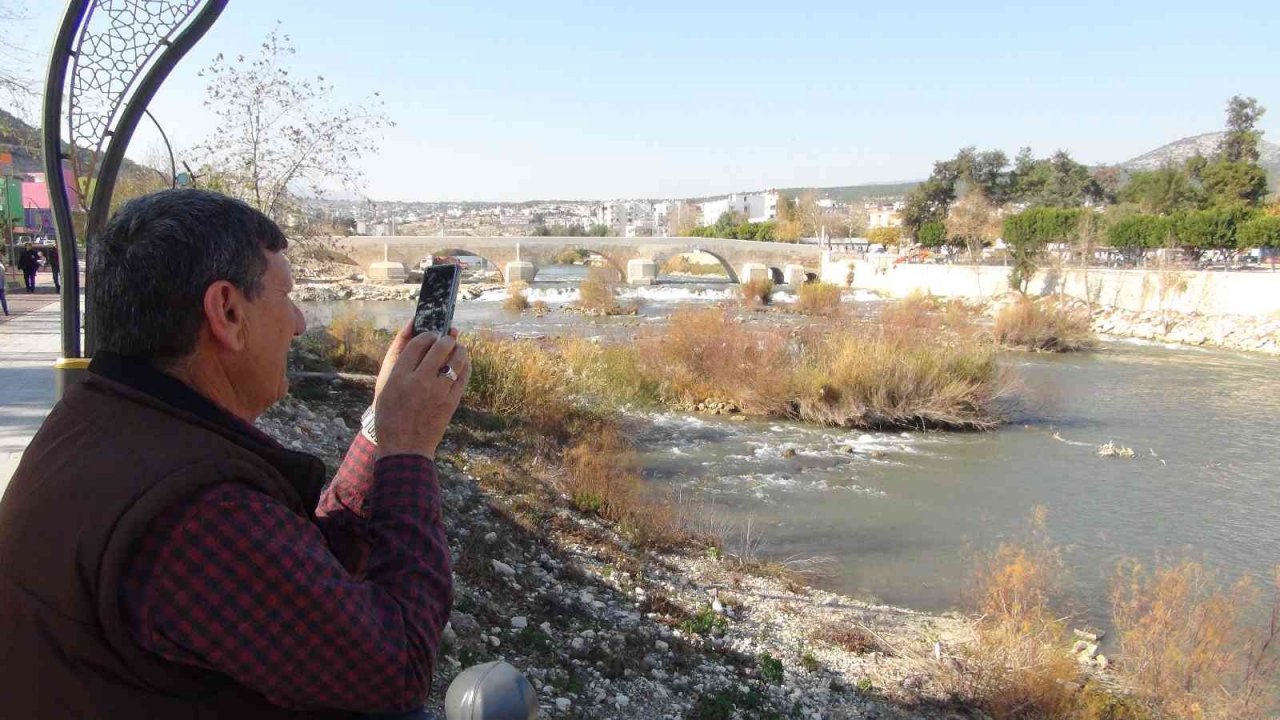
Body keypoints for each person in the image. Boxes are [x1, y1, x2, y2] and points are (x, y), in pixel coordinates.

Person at [0, 189, 471, 719]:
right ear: (226, 311)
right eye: (287, 296)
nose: (299, 323)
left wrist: (381, 428)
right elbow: (397, 671)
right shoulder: (192, 513)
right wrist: (410, 449)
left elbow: (305, 572)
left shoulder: (101, 421)